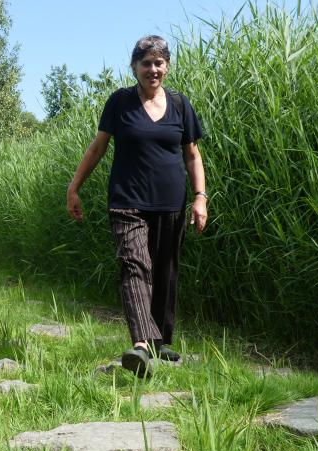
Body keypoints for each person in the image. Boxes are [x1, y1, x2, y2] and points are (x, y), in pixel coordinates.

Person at [66, 35, 207, 377]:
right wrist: (74, 187)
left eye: (159, 63)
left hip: (170, 203)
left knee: (164, 270)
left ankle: (159, 342)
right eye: (146, 63)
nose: (153, 69)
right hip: (127, 201)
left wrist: (200, 197)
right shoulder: (120, 102)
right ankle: (142, 344)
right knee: (134, 265)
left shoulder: (179, 104)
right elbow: (97, 148)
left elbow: (192, 154)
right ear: (134, 67)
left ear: (167, 66)